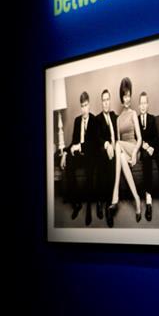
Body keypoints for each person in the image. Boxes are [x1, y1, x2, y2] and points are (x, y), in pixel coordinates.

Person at [61, 91, 97, 225]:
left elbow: (93, 144)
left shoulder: (94, 120)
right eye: (82, 106)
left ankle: (88, 207)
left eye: (86, 105)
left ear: (89, 105)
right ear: (80, 106)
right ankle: (77, 204)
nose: (84, 109)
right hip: (78, 156)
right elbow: (72, 142)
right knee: (69, 162)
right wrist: (65, 152)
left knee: (89, 167)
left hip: (89, 155)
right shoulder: (77, 121)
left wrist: (79, 147)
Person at [111, 77, 143, 223]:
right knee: (121, 155)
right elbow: (118, 146)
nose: (127, 98)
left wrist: (135, 153)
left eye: (129, 95)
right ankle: (136, 198)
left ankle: (115, 191)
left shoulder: (133, 113)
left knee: (118, 144)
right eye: (125, 96)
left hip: (134, 147)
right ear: (121, 97)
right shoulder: (118, 119)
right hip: (124, 150)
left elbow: (140, 139)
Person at [137, 91, 159, 222]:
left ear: (148, 104)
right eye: (141, 103)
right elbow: (136, 138)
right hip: (144, 149)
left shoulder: (152, 118)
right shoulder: (136, 119)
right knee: (146, 159)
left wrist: (151, 146)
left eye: (145, 103)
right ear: (139, 105)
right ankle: (148, 198)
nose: (143, 106)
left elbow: (157, 137)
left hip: (154, 147)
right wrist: (144, 146)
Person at [96, 88, 120, 227]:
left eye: (107, 100)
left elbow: (119, 134)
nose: (106, 103)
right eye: (103, 100)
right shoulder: (98, 119)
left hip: (115, 149)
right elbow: (97, 137)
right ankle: (105, 204)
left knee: (114, 158)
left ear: (110, 101)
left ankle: (107, 204)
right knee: (105, 157)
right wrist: (107, 145)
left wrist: (116, 145)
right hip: (104, 151)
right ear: (101, 102)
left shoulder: (114, 116)